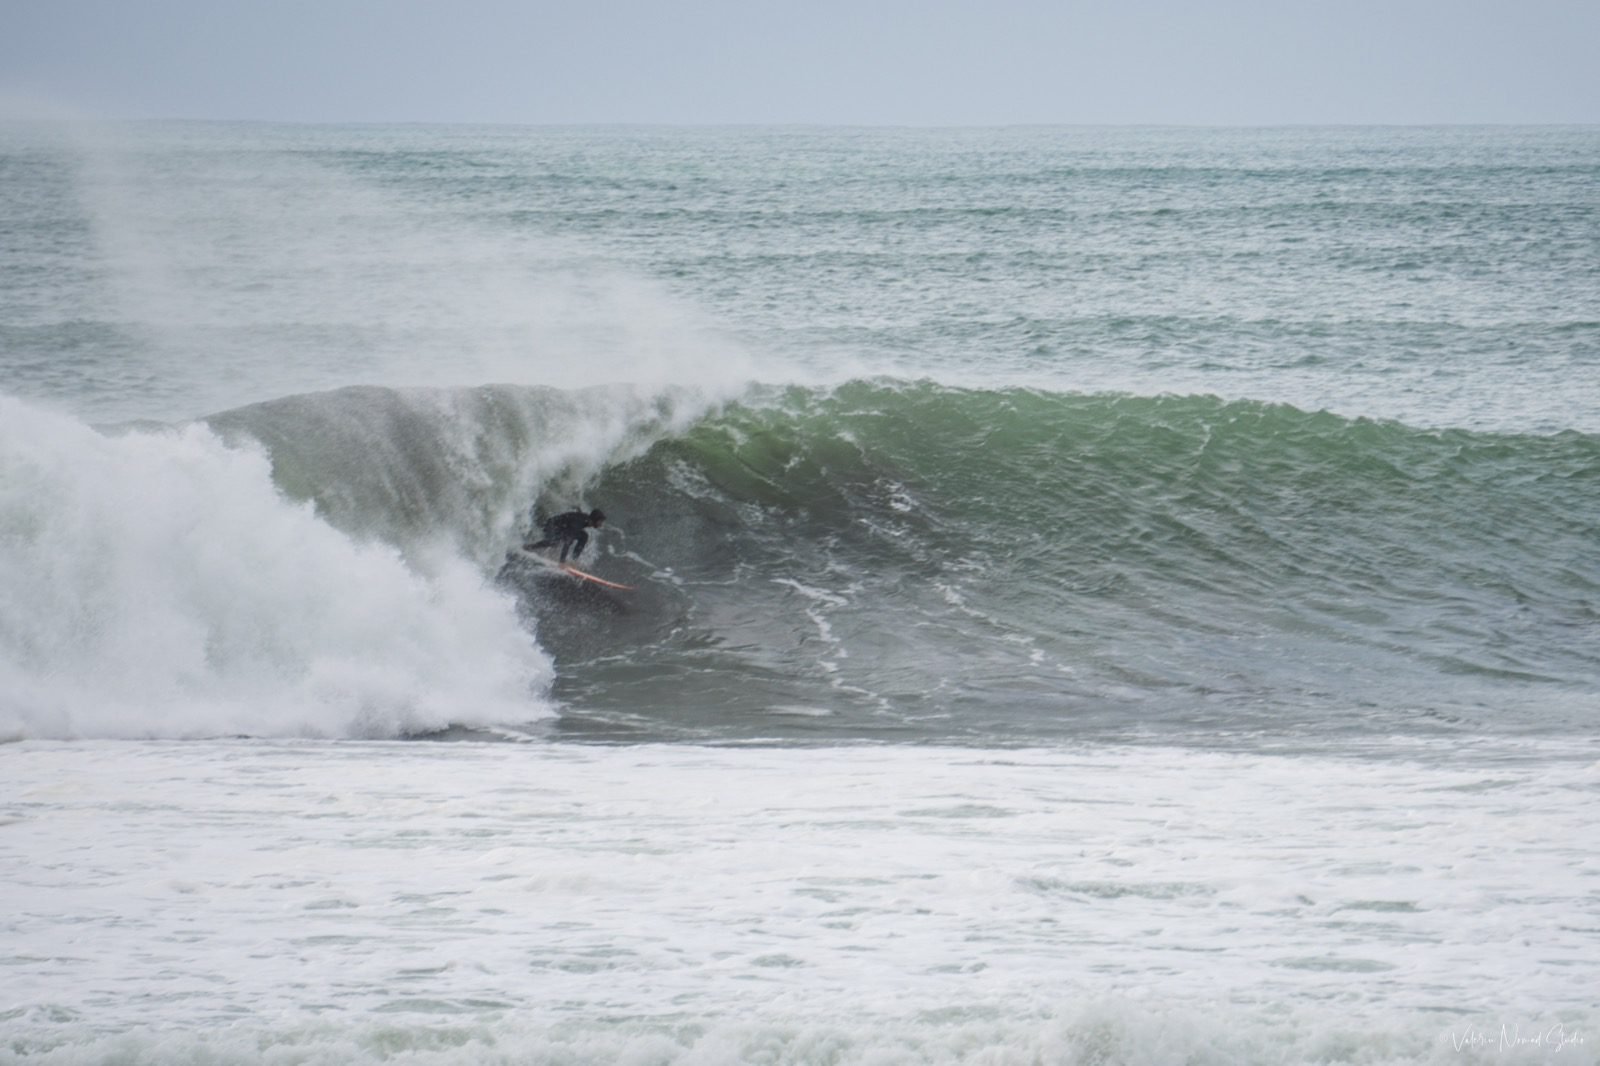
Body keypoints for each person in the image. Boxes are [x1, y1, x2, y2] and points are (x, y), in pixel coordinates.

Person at [524, 507, 606, 563]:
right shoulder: (579, 523)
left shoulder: (585, 520)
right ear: (595, 519)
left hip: (562, 528)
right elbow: (568, 541)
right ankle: (529, 547)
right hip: (552, 524)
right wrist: (562, 562)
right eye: (600, 521)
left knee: (584, 536)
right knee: (554, 542)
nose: (601, 524)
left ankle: (573, 560)